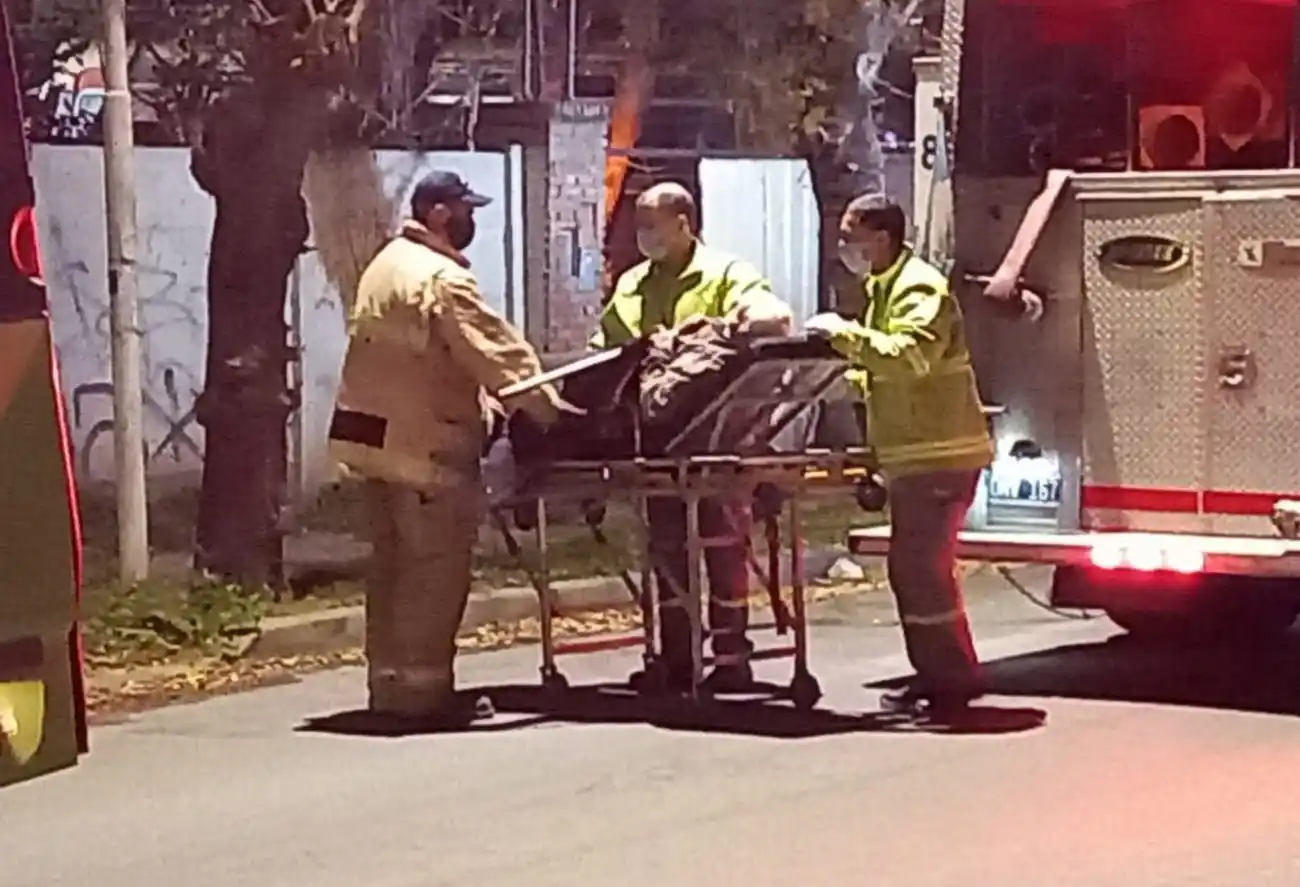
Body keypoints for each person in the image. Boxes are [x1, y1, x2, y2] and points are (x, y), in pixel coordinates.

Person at [329, 170, 570, 726]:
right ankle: (424, 695)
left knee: (392, 569)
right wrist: (555, 414)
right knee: (433, 572)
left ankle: (388, 688)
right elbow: (501, 359)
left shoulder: (385, 266)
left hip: (371, 444)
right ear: (439, 213)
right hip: (426, 449)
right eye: (466, 210)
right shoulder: (442, 280)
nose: (471, 220)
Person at [591, 181, 793, 693]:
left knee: (724, 550)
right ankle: (678, 659)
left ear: (684, 223)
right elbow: (607, 349)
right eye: (638, 225)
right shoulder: (634, 284)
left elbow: (771, 315)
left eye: (651, 225)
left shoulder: (725, 274)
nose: (642, 235)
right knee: (667, 550)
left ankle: (731, 658)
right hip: (657, 443)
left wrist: (741, 323)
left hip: (718, 442)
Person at [807, 194, 994, 716]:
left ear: (881, 237)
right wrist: (843, 381)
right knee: (913, 569)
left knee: (921, 569)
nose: (844, 246)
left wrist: (845, 335)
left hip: (941, 455)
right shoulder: (884, 287)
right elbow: (887, 370)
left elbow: (909, 356)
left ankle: (950, 679)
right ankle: (936, 674)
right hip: (916, 457)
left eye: (851, 236)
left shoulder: (918, 287)